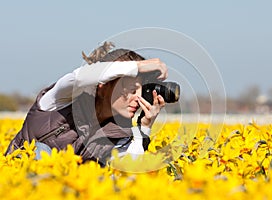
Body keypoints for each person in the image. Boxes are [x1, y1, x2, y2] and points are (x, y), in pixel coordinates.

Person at [5, 41, 167, 166]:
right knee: (41, 151)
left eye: (140, 91)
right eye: (131, 90)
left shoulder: (120, 133)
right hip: (17, 181)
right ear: (104, 85)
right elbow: (82, 76)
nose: (138, 98)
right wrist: (137, 66)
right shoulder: (60, 99)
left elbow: (126, 171)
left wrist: (144, 128)